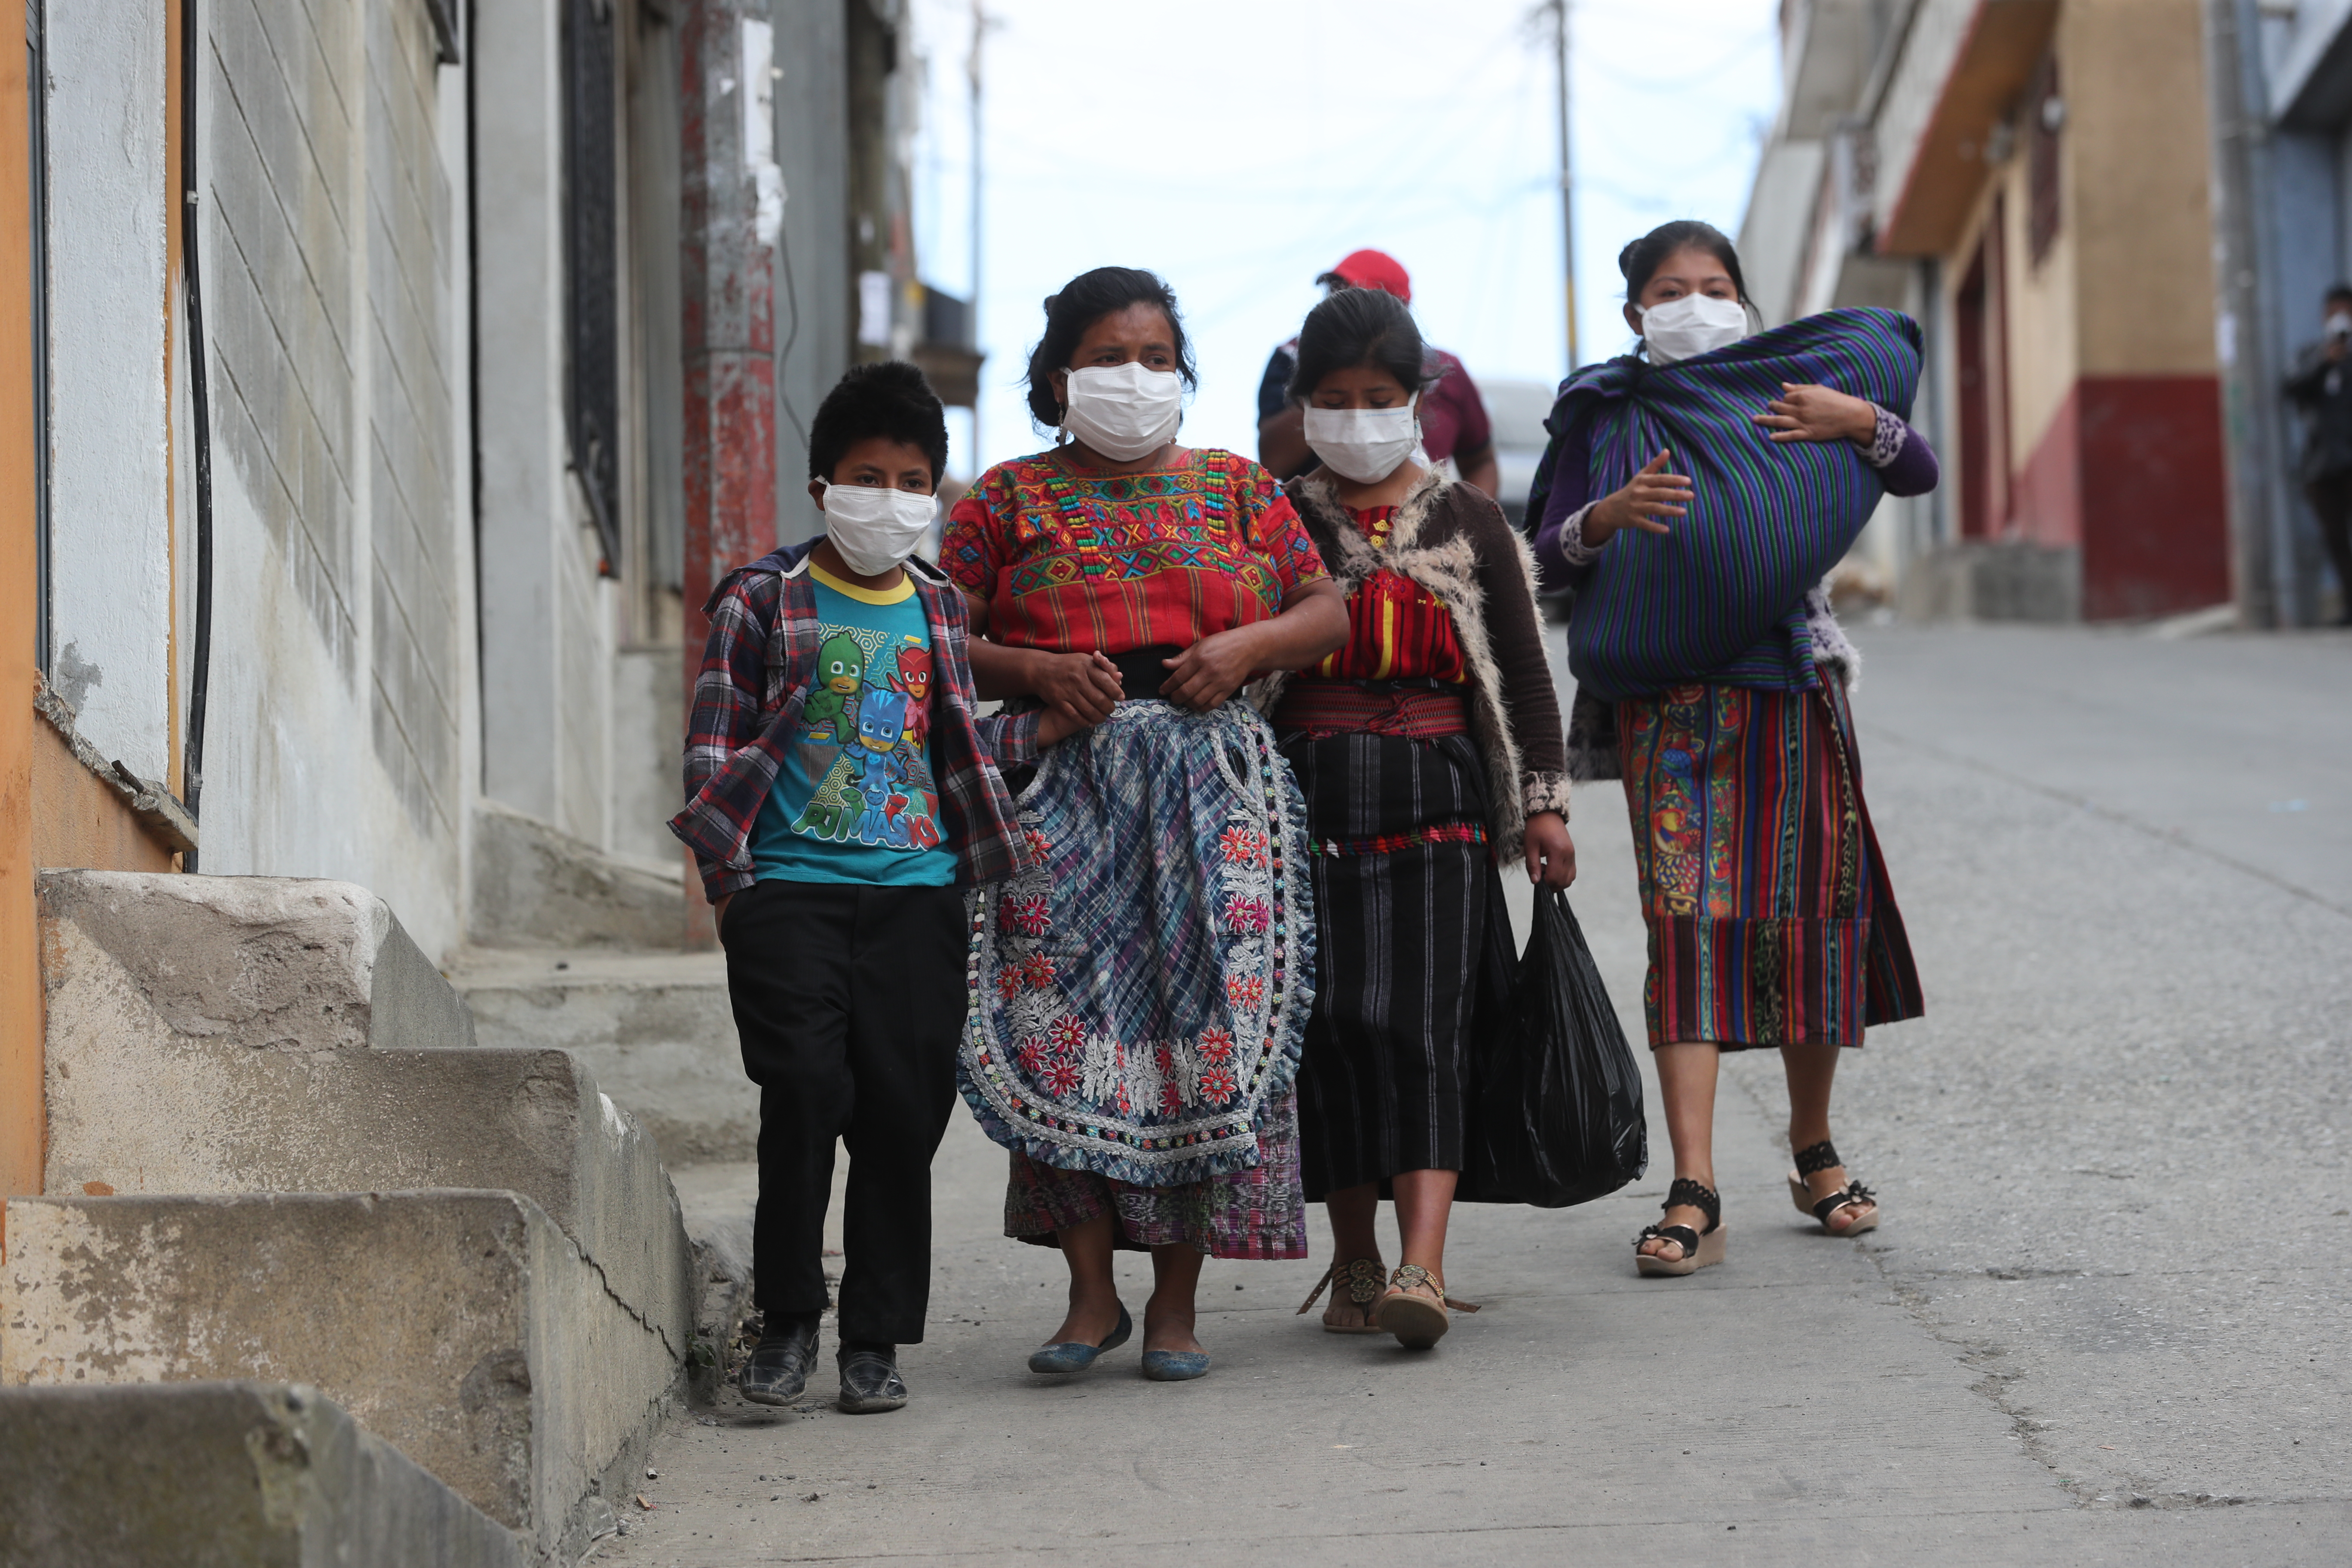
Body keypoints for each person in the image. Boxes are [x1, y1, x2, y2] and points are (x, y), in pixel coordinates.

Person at [942, 266, 1348, 1381]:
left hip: (1211, 785)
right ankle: (1090, 1297)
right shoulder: (1004, 501)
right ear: (1057, 378)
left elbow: (1325, 608)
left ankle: (1176, 1304)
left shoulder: (1239, 490)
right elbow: (938, 633)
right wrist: (1034, 670)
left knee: (1204, 1032)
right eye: (1109, 358)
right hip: (1061, 781)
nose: (1135, 377)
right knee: (1057, 1025)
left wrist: (1248, 647)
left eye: (1157, 359)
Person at [669, 362, 1093, 1413]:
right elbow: (711, 747)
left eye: (912, 481)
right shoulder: (762, 599)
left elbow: (952, 745)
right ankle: (786, 1323)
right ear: (823, 486)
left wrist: (1043, 725)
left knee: (903, 1117)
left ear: (932, 493)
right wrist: (732, 891)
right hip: (789, 894)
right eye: (868, 477)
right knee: (804, 1095)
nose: (890, 498)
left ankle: (874, 1340)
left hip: (918, 897)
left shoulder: (939, 606)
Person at [1528, 220, 1930, 1277]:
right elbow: (1540, 560)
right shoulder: (1605, 413)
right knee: (1686, 927)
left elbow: (1917, 470)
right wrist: (1604, 518)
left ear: (1744, 303)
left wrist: (1860, 419)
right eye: (1669, 291)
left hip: (1792, 691)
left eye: (1713, 286)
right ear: (1634, 313)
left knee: (1809, 922)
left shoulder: (1788, 394)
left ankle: (1814, 1150)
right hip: (1670, 707)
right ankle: (1693, 1186)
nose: (1693, 305)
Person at [1265, 286, 1575, 1348]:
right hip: (1301, 809)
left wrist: (1544, 808)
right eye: (1335, 398)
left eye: (1378, 398)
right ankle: (1353, 1258)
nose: (1357, 417)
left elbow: (1525, 677)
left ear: (1416, 401)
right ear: (1304, 403)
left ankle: (1421, 1267)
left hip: (1439, 807)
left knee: (1428, 1032)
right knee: (1328, 1030)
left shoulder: (1470, 521)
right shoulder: (1275, 518)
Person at [1257, 249, 1499, 497]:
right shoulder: (1292, 357)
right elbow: (1274, 461)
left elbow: (1480, 460)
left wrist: (1471, 511)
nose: (1341, 305)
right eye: (1335, 402)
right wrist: (1315, 377)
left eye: (1380, 402)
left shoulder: (1445, 370)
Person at [2284, 283, 2352, 625]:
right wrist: (2326, 362)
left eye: (2345, 312)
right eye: (2333, 313)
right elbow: (2291, 388)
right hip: (2321, 463)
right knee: (2336, 539)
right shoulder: (2312, 354)